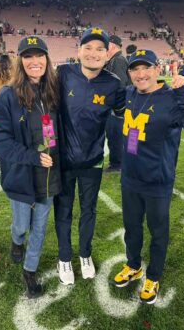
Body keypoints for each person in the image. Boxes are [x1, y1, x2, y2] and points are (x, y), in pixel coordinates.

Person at [114, 49, 184, 304]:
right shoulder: (130, 93)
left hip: (157, 181)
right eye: (135, 69)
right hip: (130, 178)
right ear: (130, 73)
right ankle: (134, 266)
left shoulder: (173, 97)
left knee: (158, 232)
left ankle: (153, 276)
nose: (141, 74)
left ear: (158, 69)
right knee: (132, 228)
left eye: (146, 68)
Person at [0, 36, 61, 298]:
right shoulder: (8, 94)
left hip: (47, 174)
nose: (35, 61)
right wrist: (32, 156)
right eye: (28, 56)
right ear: (20, 61)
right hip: (21, 173)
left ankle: (29, 271)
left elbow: (52, 129)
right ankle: (16, 240)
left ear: (47, 59)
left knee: (40, 228)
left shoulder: (53, 90)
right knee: (22, 225)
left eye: (39, 55)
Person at [54, 27, 125, 285]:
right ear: (78, 51)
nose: (93, 54)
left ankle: (85, 254)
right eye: (88, 48)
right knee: (63, 211)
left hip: (93, 161)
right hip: (62, 160)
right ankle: (64, 257)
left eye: (99, 49)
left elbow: (132, 112)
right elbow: (41, 106)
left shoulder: (114, 84)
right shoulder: (62, 74)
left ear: (108, 54)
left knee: (88, 211)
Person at [105, 34, 130, 172]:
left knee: (115, 136)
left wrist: (117, 107)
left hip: (117, 108)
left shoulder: (118, 60)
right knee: (113, 136)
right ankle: (116, 162)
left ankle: (117, 164)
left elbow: (119, 85)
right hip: (116, 107)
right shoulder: (116, 59)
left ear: (112, 46)